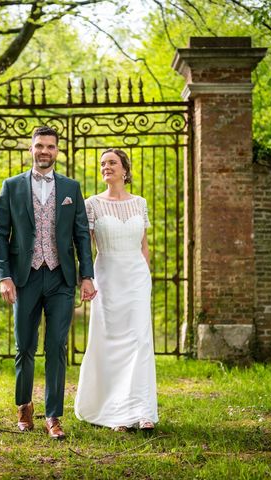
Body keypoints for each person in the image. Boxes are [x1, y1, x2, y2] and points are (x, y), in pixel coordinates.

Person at [0, 125, 96, 440]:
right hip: (24, 278)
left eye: (50, 146)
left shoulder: (71, 188)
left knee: (57, 346)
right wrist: (4, 276)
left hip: (61, 276)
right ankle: (24, 406)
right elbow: (0, 233)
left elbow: (81, 234)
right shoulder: (12, 187)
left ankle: (53, 415)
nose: (44, 151)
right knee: (24, 346)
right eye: (39, 146)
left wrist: (87, 275)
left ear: (57, 151)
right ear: (31, 149)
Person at [74, 148, 158, 432]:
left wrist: (146, 276)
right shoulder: (92, 204)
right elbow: (86, 246)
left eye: (111, 162)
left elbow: (144, 245)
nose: (106, 167)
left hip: (136, 278)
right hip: (107, 278)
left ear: (124, 169)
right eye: (102, 164)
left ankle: (143, 410)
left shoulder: (140, 203)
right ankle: (116, 412)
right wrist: (86, 278)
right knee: (110, 343)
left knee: (140, 341)